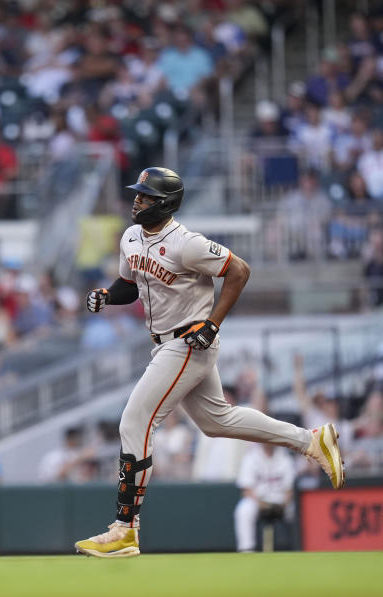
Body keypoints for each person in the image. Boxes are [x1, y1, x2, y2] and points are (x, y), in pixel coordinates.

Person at [74, 167, 345, 558]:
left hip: (187, 341)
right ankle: (311, 440)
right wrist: (106, 295)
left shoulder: (186, 243)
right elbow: (130, 285)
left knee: (134, 421)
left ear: (165, 203)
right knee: (217, 421)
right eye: (137, 194)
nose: (137, 200)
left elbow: (239, 270)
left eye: (146, 196)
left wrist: (212, 324)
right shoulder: (131, 237)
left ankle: (124, 529)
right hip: (165, 343)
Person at [233, 443, 296, 552]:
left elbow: (289, 489)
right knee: (244, 509)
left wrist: (283, 504)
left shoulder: (285, 456)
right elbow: (246, 489)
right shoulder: (251, 456)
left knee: (294, 510)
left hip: (280, 499)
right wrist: (260, 503)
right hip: (257, 499)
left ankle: (296, 547)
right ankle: (246, 549)